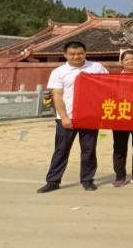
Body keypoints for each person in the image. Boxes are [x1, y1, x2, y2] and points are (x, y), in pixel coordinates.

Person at [37, 41, 109, 193]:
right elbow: (57, 96)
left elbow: (107, 87)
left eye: (80, 53)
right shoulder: (59, 72)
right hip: (66, 117)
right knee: (61, 150)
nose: (76, 56)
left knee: (88, 150)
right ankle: (53, 181)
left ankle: (88, 180)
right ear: (65, 55)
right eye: (72, 54)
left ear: (85, 53)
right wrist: (64, 117)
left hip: (90, 117)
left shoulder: (96, 67)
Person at [112, 50, 133, 187]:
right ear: (121, 63)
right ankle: (120, 176)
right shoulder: (114, 79)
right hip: (120, 116)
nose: (130, 61)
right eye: (127, 59)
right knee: (119, 147)